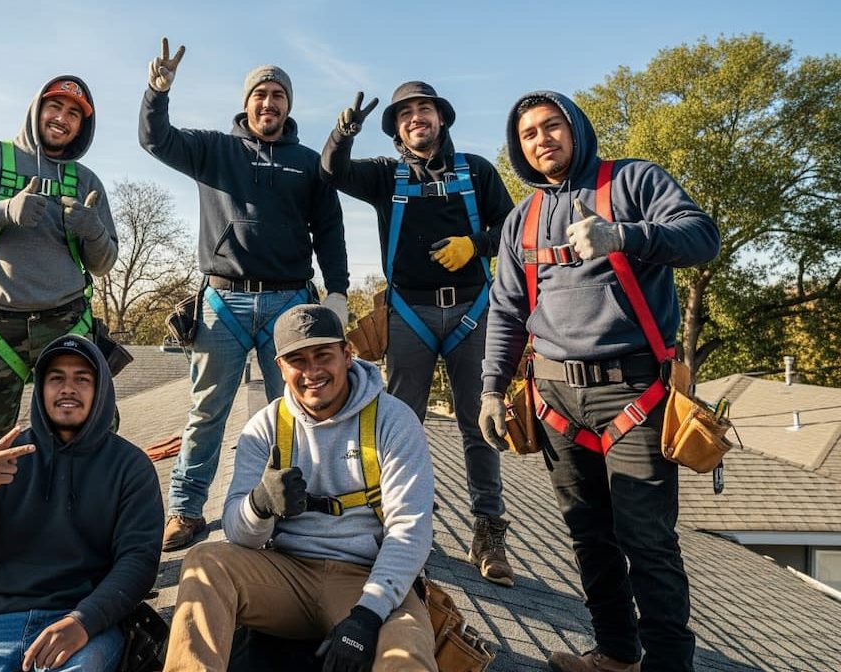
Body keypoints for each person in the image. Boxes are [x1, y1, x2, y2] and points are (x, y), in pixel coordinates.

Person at [479, 91, 720, 672]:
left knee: (648, 543)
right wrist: (491, 388)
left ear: (575, 128)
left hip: (634, 390)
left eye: (551, 126)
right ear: (521, 149)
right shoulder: (522, 219)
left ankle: (668, 665)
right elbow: (507, 310)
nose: (542, 140)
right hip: (555, 397)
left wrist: (625, 236)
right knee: (590, 537)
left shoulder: (632, 181)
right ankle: (615, 655)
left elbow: (700, 235)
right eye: (529, 134)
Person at [139, 38, 350, 551]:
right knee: (206, 412)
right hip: (223, 302)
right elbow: (156, 140)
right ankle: (186, 510)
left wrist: (339, 291)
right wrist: (156, 92)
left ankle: (290, 506)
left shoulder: (308, 163)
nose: (269, 102)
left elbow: (329, 227)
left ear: (288, 106)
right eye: (261, 93)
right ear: (247, 101)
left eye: (279, 95)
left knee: (296, 411)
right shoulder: (214, 149)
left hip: (291, 306)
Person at [163, 304, 436, 671]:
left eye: (323, 355)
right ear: (280, 367)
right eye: (297, 360)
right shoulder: (265, 427)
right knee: (203, 562)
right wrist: (259, 505)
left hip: (365, 578)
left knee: (407, 652)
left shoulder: (393, 421)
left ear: (347, 354)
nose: (312, 372)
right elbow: (238, 535)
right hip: (285, 575)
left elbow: (410, 531)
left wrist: (367, 617)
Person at [321, 81, 517, 587]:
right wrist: (345, 131)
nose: (415, 118)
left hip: (472, 313)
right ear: (397, 128)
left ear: (441, 118)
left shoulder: (477, 171)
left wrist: (476, 245)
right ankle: (401, 527)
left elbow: (515, 229)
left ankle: (489, 531)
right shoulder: (386, 176)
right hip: (410, 313)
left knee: (481, 424)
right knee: (400, 425)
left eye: (423, 109)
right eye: (405, 113)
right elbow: (332, 171)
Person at [0, 75, 117, 587]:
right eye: (54, 107)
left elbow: (104, 263)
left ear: (84, 124)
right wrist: (3, 211)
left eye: (74, 113)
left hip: (66, 321)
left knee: (91, 437)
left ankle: (95, 555)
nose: (61, 118)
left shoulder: (86, 181)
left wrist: (92, 231)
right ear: (37, 109)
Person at [0, 334, 163, 672]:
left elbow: (139, 563)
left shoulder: (131, 466)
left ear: (101, 390)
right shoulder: (6, 454)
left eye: (82, 379)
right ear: (40, 389)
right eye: (56, 378)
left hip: (83, 624)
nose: (68, 388)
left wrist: (83, 621)